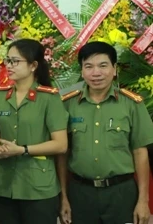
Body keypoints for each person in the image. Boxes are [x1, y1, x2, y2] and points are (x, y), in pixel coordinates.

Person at [57, 41, 153, 224]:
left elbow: (140, 153)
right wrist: (63, 197)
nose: (96, 73)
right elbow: (62, 154)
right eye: (89, 66)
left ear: (114, 69)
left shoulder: (132, 104)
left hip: (121, 193)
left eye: (103, 65)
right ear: (82, 71)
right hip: (80, 193)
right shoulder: (67, 105)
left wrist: (143, 200)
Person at [0, 38, 69, 224]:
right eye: (8, 60)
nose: (9, 66)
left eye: (16, 61)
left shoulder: (49, 98)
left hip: (38, 187)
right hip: (4, 185)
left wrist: (23, 150)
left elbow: (61, 145)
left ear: (33, 65)